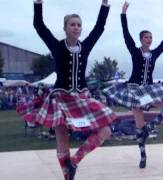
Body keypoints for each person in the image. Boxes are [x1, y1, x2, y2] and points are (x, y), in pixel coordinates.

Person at [17, 0, 115, 179]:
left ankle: (75, 161)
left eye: (79, 25)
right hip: (60, 98)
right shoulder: (57, 46)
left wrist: (105, 4)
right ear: (65, 27)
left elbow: (99, 27)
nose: (76, 28)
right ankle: (67, 176)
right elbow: (39, 26)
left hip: (82, 98)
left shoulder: (85, 46)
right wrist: (38, 3)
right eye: (72, 25)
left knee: (106, 130)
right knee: (62, 138)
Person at [104, 1, 163, 168]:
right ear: (141, 39)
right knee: (139, 123)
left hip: (150, 89)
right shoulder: (134, 51)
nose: (149, 40)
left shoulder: (153, 53)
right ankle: (142, 154)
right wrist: (123, 14)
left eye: (151, 37)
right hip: (134, 89)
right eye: (146, 37)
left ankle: (150, 127)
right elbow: (125, 34)